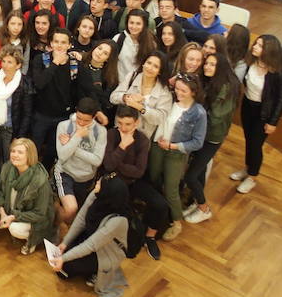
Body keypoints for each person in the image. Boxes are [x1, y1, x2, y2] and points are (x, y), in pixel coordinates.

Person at [100, 105, 169, 260]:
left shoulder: (142, 140)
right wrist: (123, 146)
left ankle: (150, 237)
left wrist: (118, 163)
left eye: (128, 124)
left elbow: (139, 171)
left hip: (134, 182)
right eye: (120, 123)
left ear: (136, 123)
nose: (123, 128)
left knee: (160, 204)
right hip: (114, 182)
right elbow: (108, 166)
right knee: (125, 217)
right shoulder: (111, 134)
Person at [50, 175, 131, 297]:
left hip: (105, 252)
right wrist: (65, 243)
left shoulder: (118, 220)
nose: (97, 183)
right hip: (91, 236)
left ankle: (96, 273)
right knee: (62, 267)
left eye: (100, 183)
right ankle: (88, 269)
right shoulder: (96, 195)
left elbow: (91, 245)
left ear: (108, 191)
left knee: (64, 269)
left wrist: (64, 258)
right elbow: (81, 219)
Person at [183, 53, 240, 223]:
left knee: (191, 176)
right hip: (202, 134)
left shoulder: (227, 87)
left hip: (211, 137)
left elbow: (215, 116)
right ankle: (195, 201)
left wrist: (193, 116)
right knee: (198, 172)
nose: (207, 67)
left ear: (221, 67)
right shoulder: (209, 82)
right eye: (207, 63)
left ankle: (204, 208)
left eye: (212, 65)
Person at [148, 74, 206, 241]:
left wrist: (172, 146)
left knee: (171, 188)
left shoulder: (198, 113)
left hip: (175, 153)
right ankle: (158, 212)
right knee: (153, 178)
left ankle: (176, 222)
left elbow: (197, 142)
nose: (178, 92)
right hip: (157, 147)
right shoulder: (169, 100)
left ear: (193, 92)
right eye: (177, 89)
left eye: (184, 90)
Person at [232, 34, 282, 194]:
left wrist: (273, 122)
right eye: (255, 44)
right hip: (248, 107)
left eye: (259, 45)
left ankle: (252, 177)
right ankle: (248, 168)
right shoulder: (251, 63)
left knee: (256, 145)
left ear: (268, 50)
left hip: (264, 113)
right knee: (249, 140)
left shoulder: (277, 72)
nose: (254, 47)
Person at [0, 138, 56, 255]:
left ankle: (32, 240)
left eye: (20, 152)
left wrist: (13, 217)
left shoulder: (40, 181)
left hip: (33, 217)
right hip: (11, 210)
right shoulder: (7, 167)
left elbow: (39, 214)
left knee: (15, 229)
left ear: (29, 156)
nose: (15, 155)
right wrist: (3, 211)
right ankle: (10, 222)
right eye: (13, 151)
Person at [53, 98, 108, 225]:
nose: (82, 123)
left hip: (86, 177)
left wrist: (72, 146)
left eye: (86, 120)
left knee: (76, 216)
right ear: (76, 112)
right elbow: (62, 156)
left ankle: (65, 232)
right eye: (79, 118)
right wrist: (77, 136)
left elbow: (97, 160)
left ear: (94, 117)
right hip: (64, 172)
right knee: (71, 209)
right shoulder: (64, 126)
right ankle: (55, 225)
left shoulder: (101, 131)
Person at [29, 28, 77, 168]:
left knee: (52, 150)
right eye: (56, 41)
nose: (59, 45)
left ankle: (45, 174)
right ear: (51, 43)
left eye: (63, 42)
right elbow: (39, 83)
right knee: (34, 147)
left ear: (69, 45)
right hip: (41, 114)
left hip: (62, 116)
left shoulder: (74, 64)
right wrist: (55, 63)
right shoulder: (40, 59)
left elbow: (78, 89)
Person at [110, 51, 173, 140]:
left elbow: (160, 118)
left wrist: (141, 108)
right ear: (143, 63)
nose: (150, 68)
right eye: (149, 63)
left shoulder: (164, 92)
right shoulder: (132, 76)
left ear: (160, 71)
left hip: (141, 137)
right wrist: (127, 97)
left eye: (156, 66)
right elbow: (113, 97)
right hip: (120, 130)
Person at [113, 9, 157, 86]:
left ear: (144, 25)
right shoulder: (118, 39)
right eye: (131, 23)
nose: (134, 26)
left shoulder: (151, 42)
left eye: (138, 24)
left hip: (139, 85)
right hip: (119, 84)